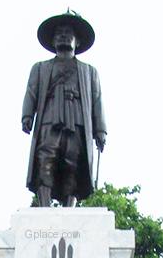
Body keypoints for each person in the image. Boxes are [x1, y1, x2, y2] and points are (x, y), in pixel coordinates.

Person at [22, 11, 107, 207]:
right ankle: (44, 205)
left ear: (77, 41)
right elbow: (31, 91)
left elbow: (97, 100)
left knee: (73, 161)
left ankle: (70, 207)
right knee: (46, 158)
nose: (63, 36)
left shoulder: (89, 71)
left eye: (68, 33)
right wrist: (27, 115)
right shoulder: (41, 67)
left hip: (77, 119)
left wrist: (100, 130)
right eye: (59, 33)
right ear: (52, 41)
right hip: (49, 118)